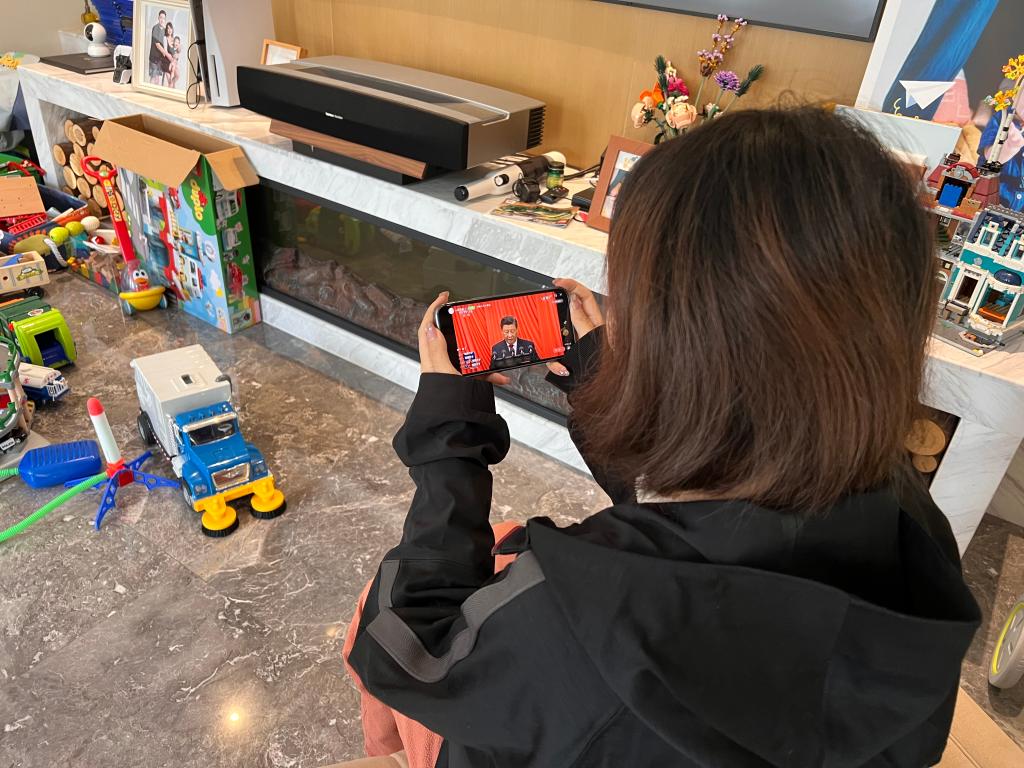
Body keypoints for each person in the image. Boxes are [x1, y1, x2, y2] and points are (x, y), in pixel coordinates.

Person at [345, 106, 981, 767]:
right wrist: (596, 377)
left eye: (634, 303)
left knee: (380, 596)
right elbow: (715, 531)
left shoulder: (572, 621)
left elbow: (408, 646)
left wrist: (450, 435)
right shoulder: (914, 525)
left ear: (678, 351)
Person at [147, 10, 171, 85]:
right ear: (158, 18)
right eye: (161, 17)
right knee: (153, 77)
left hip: (160, 59)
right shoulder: (155, 28)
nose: (162, 20)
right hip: (154, 58)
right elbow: (158, 45)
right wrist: (167, 54)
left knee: (157, 79)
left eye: (163, 18)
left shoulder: (164, 30)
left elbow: (167, 43)